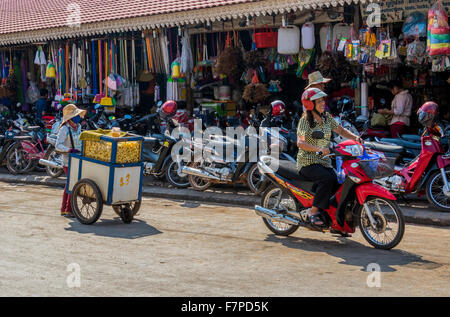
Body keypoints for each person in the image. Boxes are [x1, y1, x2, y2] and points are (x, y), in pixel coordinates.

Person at [297, 88, 362, 227]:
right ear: (310, 104)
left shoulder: (327, 117)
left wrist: (356, 138)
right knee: (327, 179)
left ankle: (333, 219)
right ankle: (313, 211)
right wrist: (319, 149)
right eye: (318, 101)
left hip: (324, 162)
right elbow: (300, 142)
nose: (322, 103)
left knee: (339, 183)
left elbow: (340, 130)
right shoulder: (305, 121)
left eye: (322, 100)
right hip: (308, 162)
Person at [56, 104, 85, 217]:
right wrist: (69, 150)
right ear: (70, 117)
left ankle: (65, 208)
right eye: (76, 115)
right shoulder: (64, 129)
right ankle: (68, 209)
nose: (78, 117)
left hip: (78, 160)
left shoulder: (78, 127)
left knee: (70, 184)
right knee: (71, 184)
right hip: (68, 161)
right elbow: (58, 146)